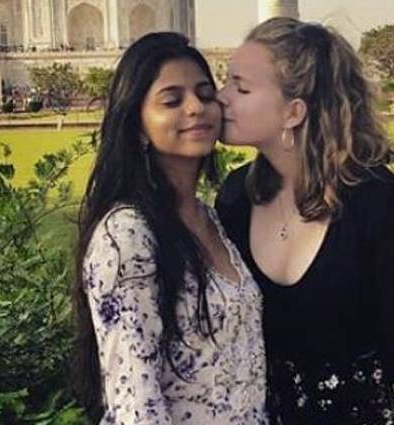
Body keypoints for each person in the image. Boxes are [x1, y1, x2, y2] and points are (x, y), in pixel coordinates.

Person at [216, 17, 394, 425]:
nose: (220, 98)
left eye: (241, 88)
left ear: (293, 112)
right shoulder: (236, 198)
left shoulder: (378, 202)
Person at [72, 32, 268, 425]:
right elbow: (135, 403)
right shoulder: (127, 234)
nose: (196, 108)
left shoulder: (211, 218)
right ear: (138, 125)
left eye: (205, 94)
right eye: (172, 100)